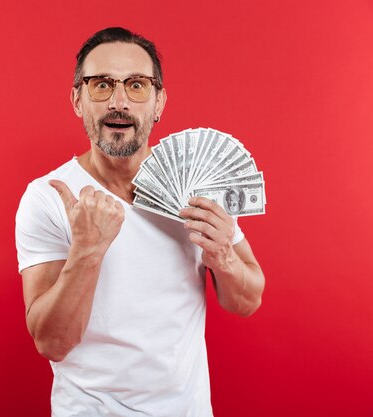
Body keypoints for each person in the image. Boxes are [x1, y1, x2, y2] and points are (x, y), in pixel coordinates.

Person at [15, 27, 265, 417]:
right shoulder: (48, 197)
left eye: (136, 85)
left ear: (158, 101)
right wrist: (87, 251)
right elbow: (52, 343)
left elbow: (247, 301)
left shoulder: (196, 185)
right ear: (78, 100)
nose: (119, 102)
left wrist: (224, 257)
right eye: (101, 85)